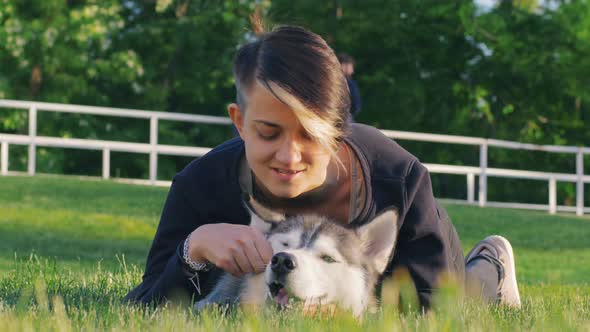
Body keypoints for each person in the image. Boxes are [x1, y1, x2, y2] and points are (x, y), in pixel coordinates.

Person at [124, 21, 521, 312]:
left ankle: (491, 263)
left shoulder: (400, 181)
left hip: (406, 268)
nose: (288, 156)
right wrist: (194, 249)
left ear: (338, 131)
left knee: (465, 298)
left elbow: (433, 314)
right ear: (239, 121)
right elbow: (143, 306)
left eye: (310, 135)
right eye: (268, 133)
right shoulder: (199, 185)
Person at [337, 53, 362, 120]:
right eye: (351, 66)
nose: (352, 71)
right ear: (343, 65)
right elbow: (356, 105)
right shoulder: (349, 83)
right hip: (346, 119)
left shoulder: (329, 81)